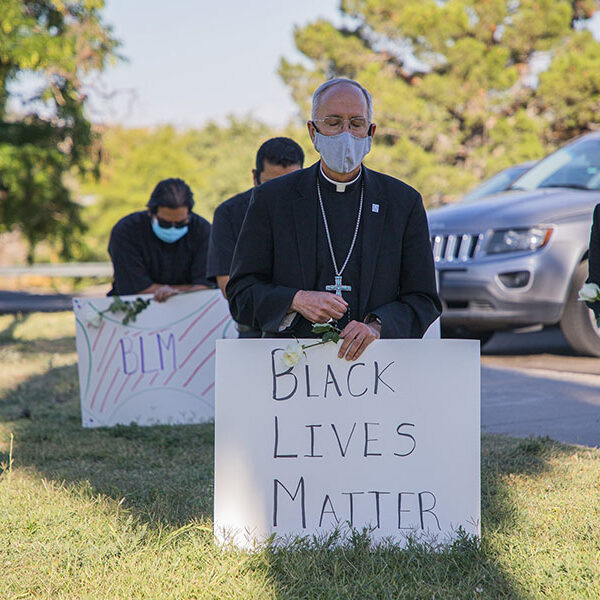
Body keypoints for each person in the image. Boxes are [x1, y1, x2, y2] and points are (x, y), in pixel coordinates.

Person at [226, 78, 441, 361]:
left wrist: (377, 326)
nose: (346, 134)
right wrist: (295, 300)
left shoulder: (402, 202)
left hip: (378, 370)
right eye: (333, 122)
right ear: (313, 131)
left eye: (355, 123)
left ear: (371, 132)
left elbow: (423, 299)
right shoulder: (272, 200)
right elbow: (241, 294)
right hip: (293, 373)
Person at [206, 137, 304, 336]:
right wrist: (293, 300)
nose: (280, 193)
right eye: (272, 184)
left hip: (307, 330)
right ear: (255, 177)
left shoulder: (314, 209)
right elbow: (229, 287)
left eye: (290, 182)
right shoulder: (229, 213)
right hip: (255, 330)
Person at [108, 177, 212, 301]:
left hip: (191, 309)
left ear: (189, 215)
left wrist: (170, 292)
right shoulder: (126, 231)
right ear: (150, 212)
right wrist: (185, 290)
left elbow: (205, 287)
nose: (173, 229)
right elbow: (135, 289)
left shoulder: (202, 230)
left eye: (180, 224)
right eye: (165, 224)